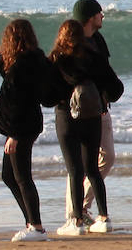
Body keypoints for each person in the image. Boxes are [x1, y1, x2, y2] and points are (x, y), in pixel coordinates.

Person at [49, 19, 121, 235]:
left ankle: (76, 222)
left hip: (66, 116)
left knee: (74, 170)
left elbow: (47, 95)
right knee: (92, 169)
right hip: (93, 116)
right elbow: (116, 87)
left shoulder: (56, 59)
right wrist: (102, 97)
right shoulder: (94, 57)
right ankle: (104, 219)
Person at [0, 19, 54, 242]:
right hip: (25, 123)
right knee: (9, 176)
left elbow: (19, 99)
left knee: (22, 176)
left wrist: (14, 134)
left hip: (21, 127)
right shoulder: (31, 60)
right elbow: (10, 76)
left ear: (11, 39)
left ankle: (37, 226)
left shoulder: (24, 64)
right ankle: (31, 223)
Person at [65, 0, 122, 227]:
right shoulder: (71, 43)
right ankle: (75, 213)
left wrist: (108, 96)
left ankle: (82, 207)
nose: (103, 16)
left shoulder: (98, 40)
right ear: (90, 17)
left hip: (100, 109)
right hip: (78, 113)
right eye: (100, 13)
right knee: (77, 166)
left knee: (106, 158)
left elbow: (105, 74)